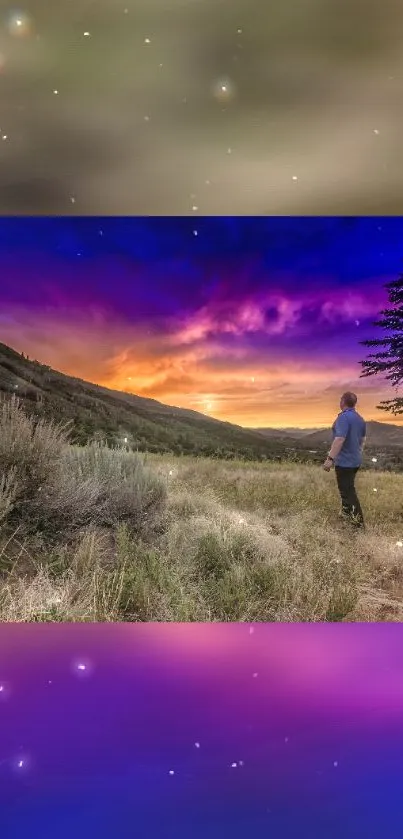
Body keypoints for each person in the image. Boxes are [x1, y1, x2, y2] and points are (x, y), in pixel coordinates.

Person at [323, 392, 366, 527]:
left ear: (343, 401)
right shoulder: (360, 418)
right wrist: (356, 452)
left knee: (347, 492)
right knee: (347, 490)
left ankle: (357, 525)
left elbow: (340, 439)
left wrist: (330, 458)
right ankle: (347, 518)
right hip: (355, 460)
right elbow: (363, 440)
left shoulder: (343, 417)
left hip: (345, 462)